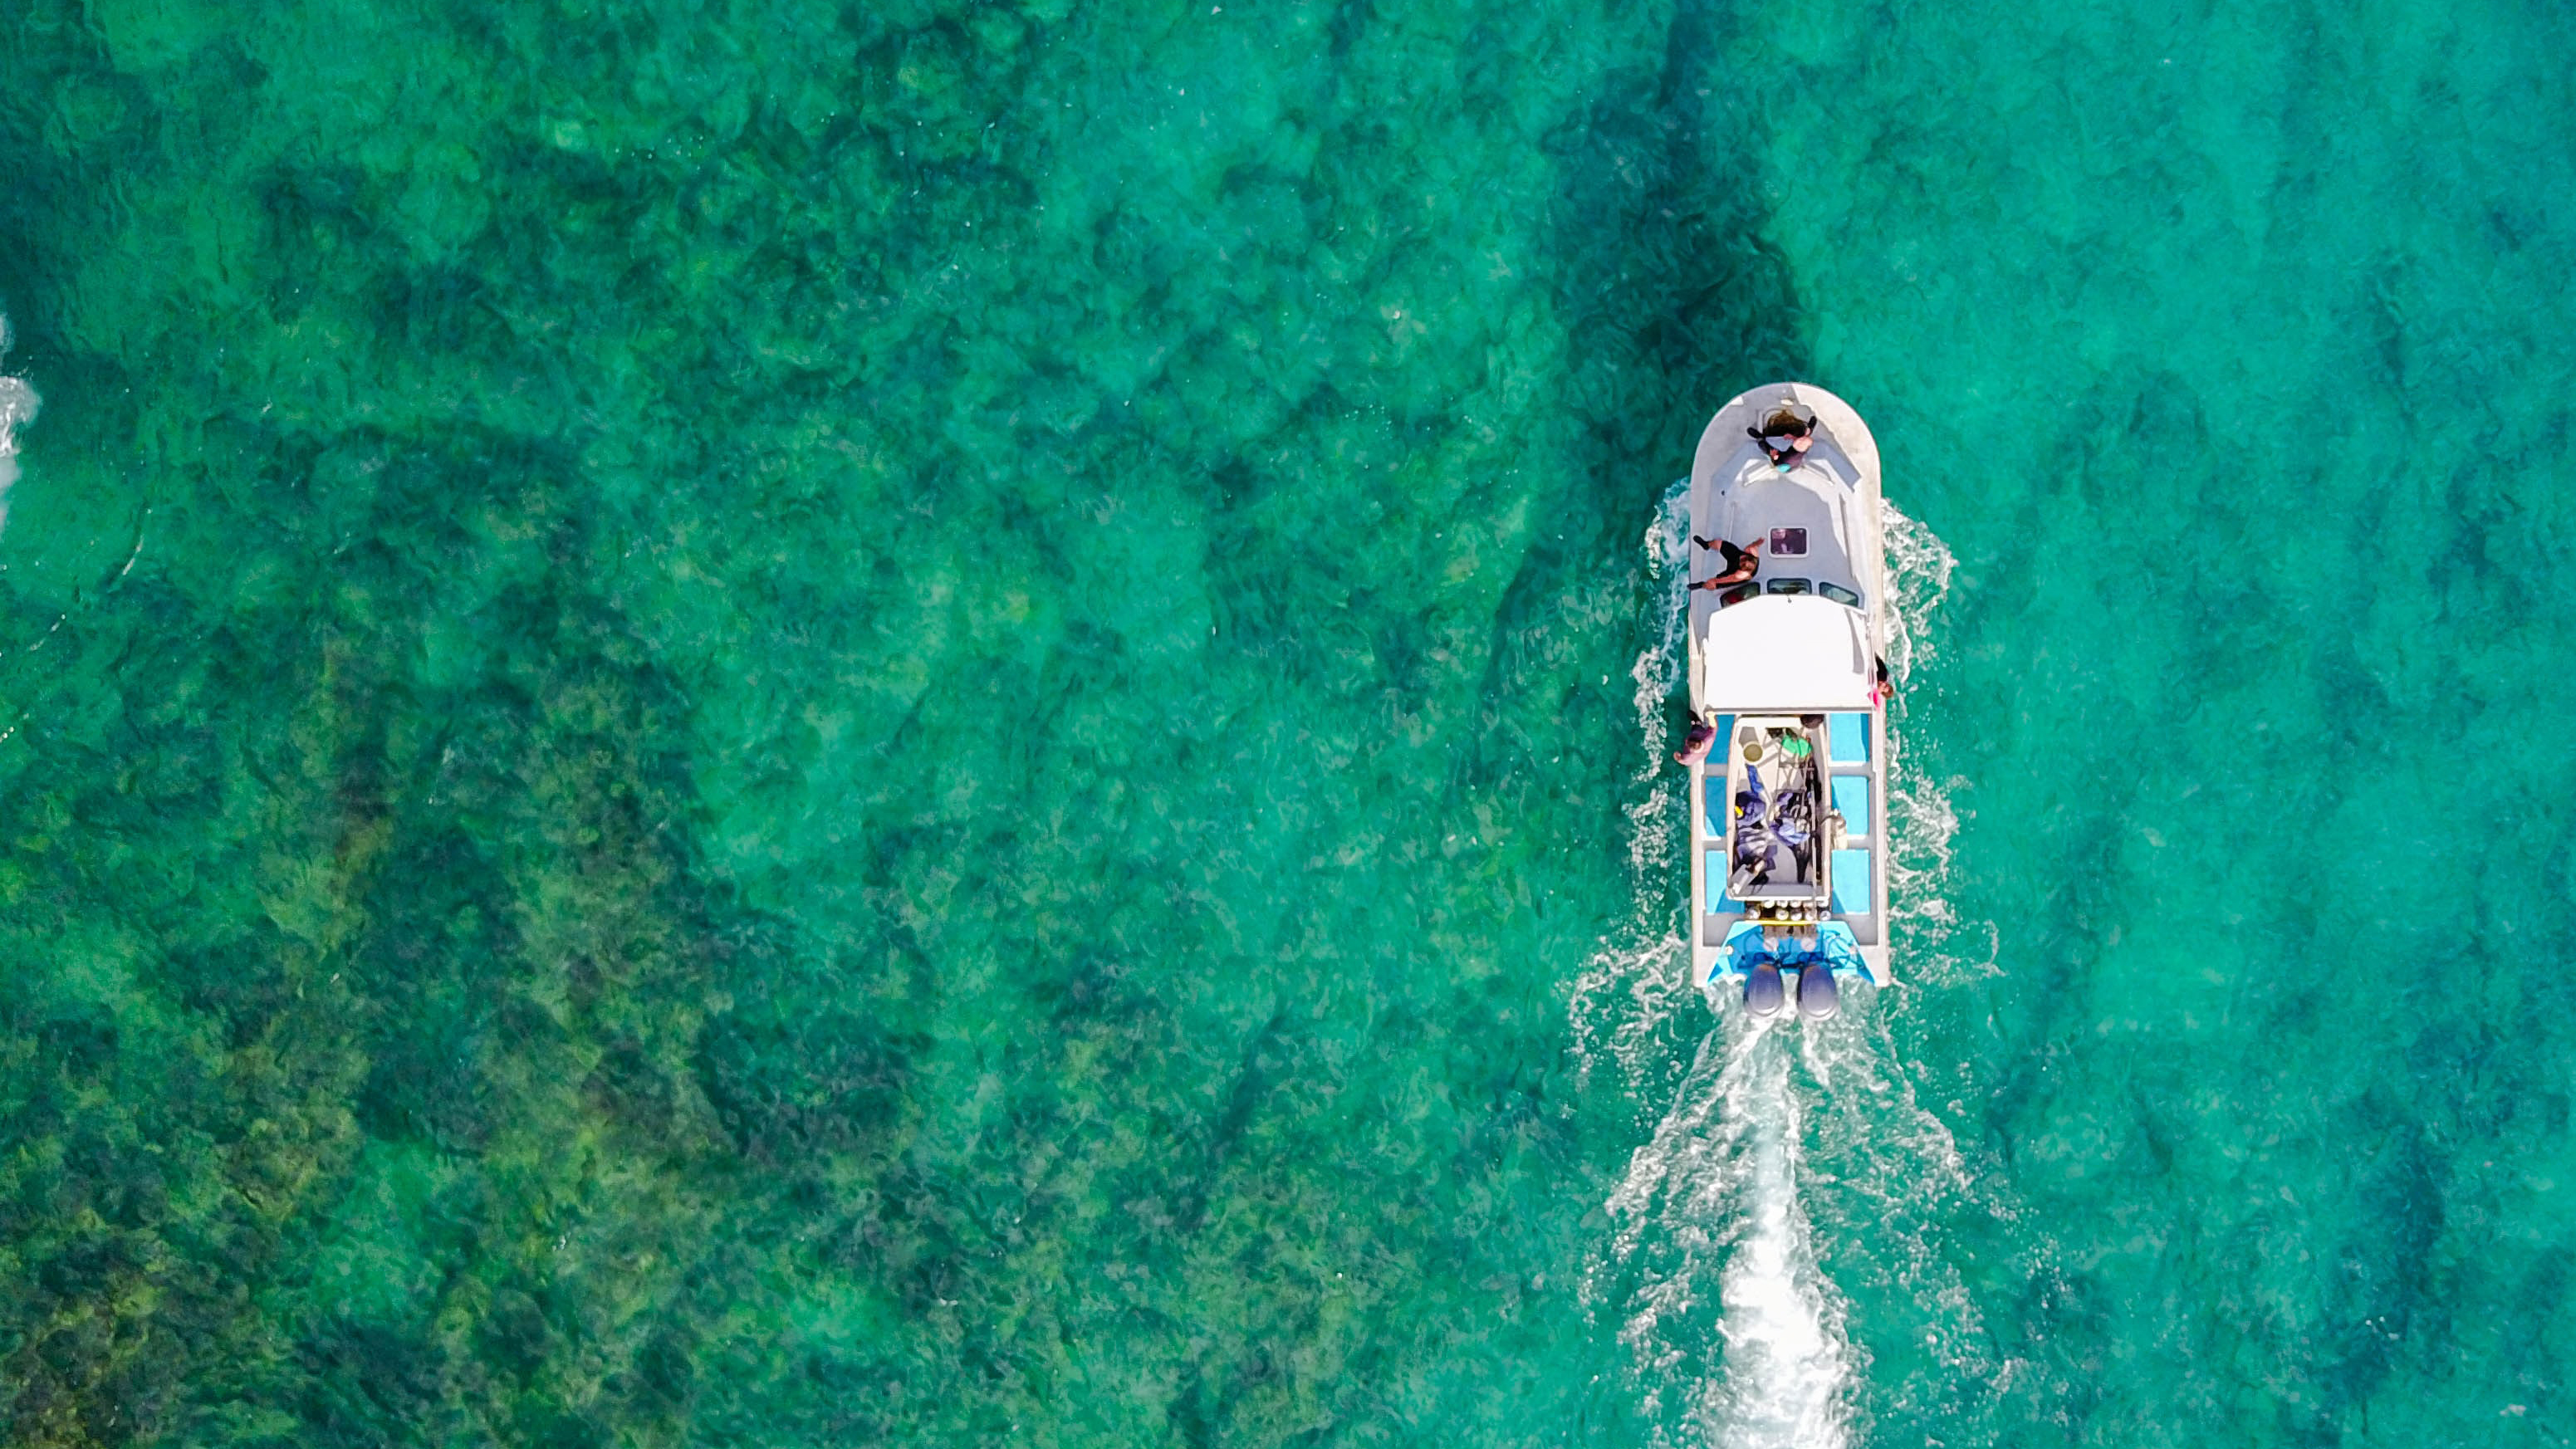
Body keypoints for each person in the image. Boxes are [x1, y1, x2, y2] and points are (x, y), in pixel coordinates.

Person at [1687, 533, 1761, 590]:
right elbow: (1753, 545)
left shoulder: (1741, 575)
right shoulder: (1752, 551)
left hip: (1733, 573)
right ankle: (1706, 545)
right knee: (1718, 543)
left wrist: (1714, 581)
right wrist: (1757, 543)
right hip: (1736, 556)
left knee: (1712, 584)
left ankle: (1701, 585)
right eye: (1743, 558)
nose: (1742, 560)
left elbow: (1727, 579)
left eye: (1742, 562)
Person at [1746, 409, 1814, 470]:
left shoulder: (1789, 457)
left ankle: (1759, 437)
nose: (1799, 442)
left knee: (1763, 445)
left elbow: (1777, 464)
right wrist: (1793, 437)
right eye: (1801, 440)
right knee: (1805, 434)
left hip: (1783, 463)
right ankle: (1810, 427)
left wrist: (1773, 456)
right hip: (1790, 451)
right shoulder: (1802, 445)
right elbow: (1804, 438)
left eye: (1800, 444)